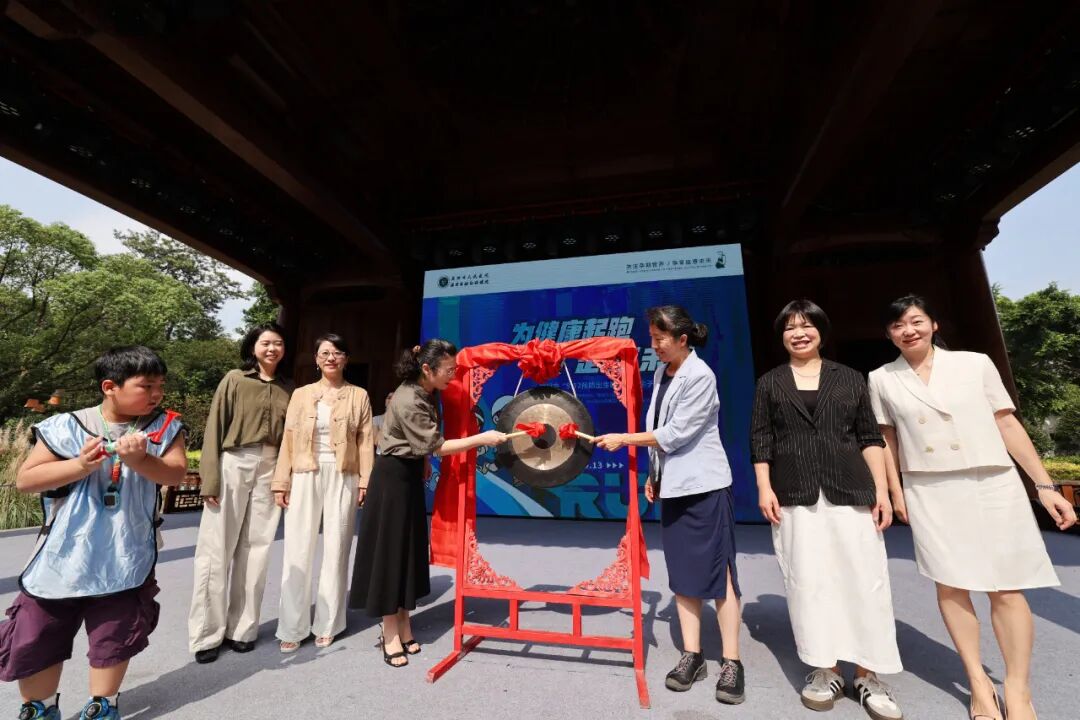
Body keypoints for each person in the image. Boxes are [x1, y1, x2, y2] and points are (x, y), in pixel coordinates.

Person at [868, 295, 1077, 720]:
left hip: (991, 482)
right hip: (930, 487)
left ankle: (1017, 689)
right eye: (898, 325)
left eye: (916, 321)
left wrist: (1044, 486)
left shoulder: (975, 364)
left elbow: (1006, 422)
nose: (908, 330)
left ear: (934, 324)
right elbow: (887, 439)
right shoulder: (882, 378)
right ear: (889, 334)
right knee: (951, 585)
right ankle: (978, 683)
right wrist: (894, 490)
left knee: (1006, 587)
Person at [0, 346, 187, 720]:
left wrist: (140, 459)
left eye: (161, 386)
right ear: (110, 387)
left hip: (126, 552)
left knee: (114, 634)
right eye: (146, 386)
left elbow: (175, 473)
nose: (156, 394)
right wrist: (81, 465)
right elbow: (26, 480)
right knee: (37, 633)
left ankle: (102, 706)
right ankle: (39, 708)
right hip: (61, 556)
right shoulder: (65, 425)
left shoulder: (165, 426)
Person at [751, 300, 904, 720]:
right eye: (790, 327)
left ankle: (868, 674)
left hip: (851, 490)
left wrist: (882, 491)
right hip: (794, 494)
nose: (799, 333)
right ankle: (826, 669)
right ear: (781, 336)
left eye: (806, 325)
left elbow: (869, 437)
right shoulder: (770, 383)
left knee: (865, 580)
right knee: (809, 582)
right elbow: (761, 440)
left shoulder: (850, 377)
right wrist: (764, 487)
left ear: (821, 331)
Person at [594, 305, 746, 705]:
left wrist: (625, 440)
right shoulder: (664, 372)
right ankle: (692, 656)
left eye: (660, 339)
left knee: (720, 574)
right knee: (682, 572)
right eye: (652, 338)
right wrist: (653, 474)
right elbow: (659, 429)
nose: (654, 345)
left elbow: (676, 433)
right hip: (675, 487)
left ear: (682, 339)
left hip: (705, 486)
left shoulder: (701, 376)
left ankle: (732, 662)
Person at [350, 339, 507, 668]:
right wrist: (483, 438)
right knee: (392, 555)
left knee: (408, 551)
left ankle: (404, 621)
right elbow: (437, 446)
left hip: (408, 475)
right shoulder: (409, 398)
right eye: (448, 370)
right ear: (427, 368)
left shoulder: (425, 391)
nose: (453, 375)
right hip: (392, 480)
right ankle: (389, 631)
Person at [188, 323, 293, 663]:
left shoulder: (289, 388)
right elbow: (214, 428)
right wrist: (210, 479)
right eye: (266, 343)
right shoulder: (234, 379)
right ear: (253, 347)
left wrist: (285, 478)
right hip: (234, 461)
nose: (272, 349)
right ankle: (206, 635)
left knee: (257, 549)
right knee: (216, 548)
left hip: (271, 465)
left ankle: (243, 629)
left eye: (278, 343)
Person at [272, 333, 374, 652]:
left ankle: (328, 623)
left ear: (346, 359)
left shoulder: (359, 395)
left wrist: (365, 481)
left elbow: (366, 441)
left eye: (337, 352)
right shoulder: (301, 394)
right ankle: (292, 625)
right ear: (316, 359)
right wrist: (281, 481)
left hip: (344, 473)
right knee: (297, 548)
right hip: (305, 471)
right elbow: (289, 439)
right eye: (325, 353)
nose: (331, 357)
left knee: (337, 546)